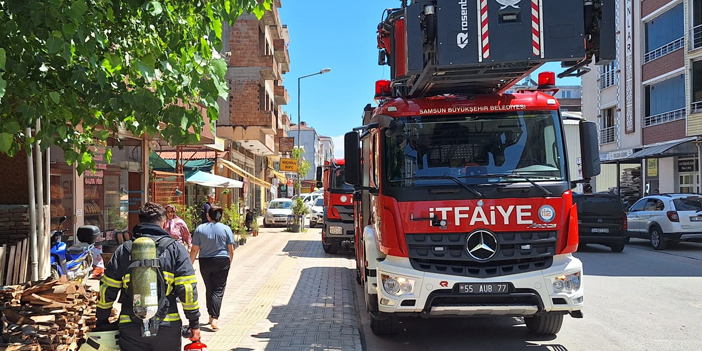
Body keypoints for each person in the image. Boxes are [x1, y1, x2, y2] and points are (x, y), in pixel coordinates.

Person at [96, 202, 201, 351]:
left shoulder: (124, 250)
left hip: (131, 327)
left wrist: (102, 320)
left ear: (140, 222)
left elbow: (107, 288)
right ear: (164, 223)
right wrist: (194, 323)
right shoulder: (176, 249)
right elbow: (188, 288)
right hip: (167, 327)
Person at [189, 206, 235, 331]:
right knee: (218, 290)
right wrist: (229, 263)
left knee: (209, 288)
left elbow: (194, 250)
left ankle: (211, 315)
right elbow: (231, 250)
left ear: (208, 216)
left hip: (205, 261)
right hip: (222, 261)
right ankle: (214, 317)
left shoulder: (200, 229)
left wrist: (188, 265)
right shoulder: (226, 229)